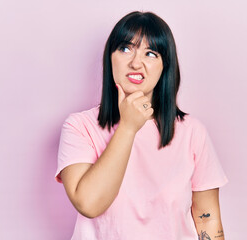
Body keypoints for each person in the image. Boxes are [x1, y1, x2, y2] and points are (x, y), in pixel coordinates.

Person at [55, 11, 228, 240]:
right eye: (125, 49)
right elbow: (89, 203)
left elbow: (207, 217)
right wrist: (128, 127)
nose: (136, 63)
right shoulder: (79, 127)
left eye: (150, 53)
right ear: (111, 57)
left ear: (165, 65)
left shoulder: (191, 132)